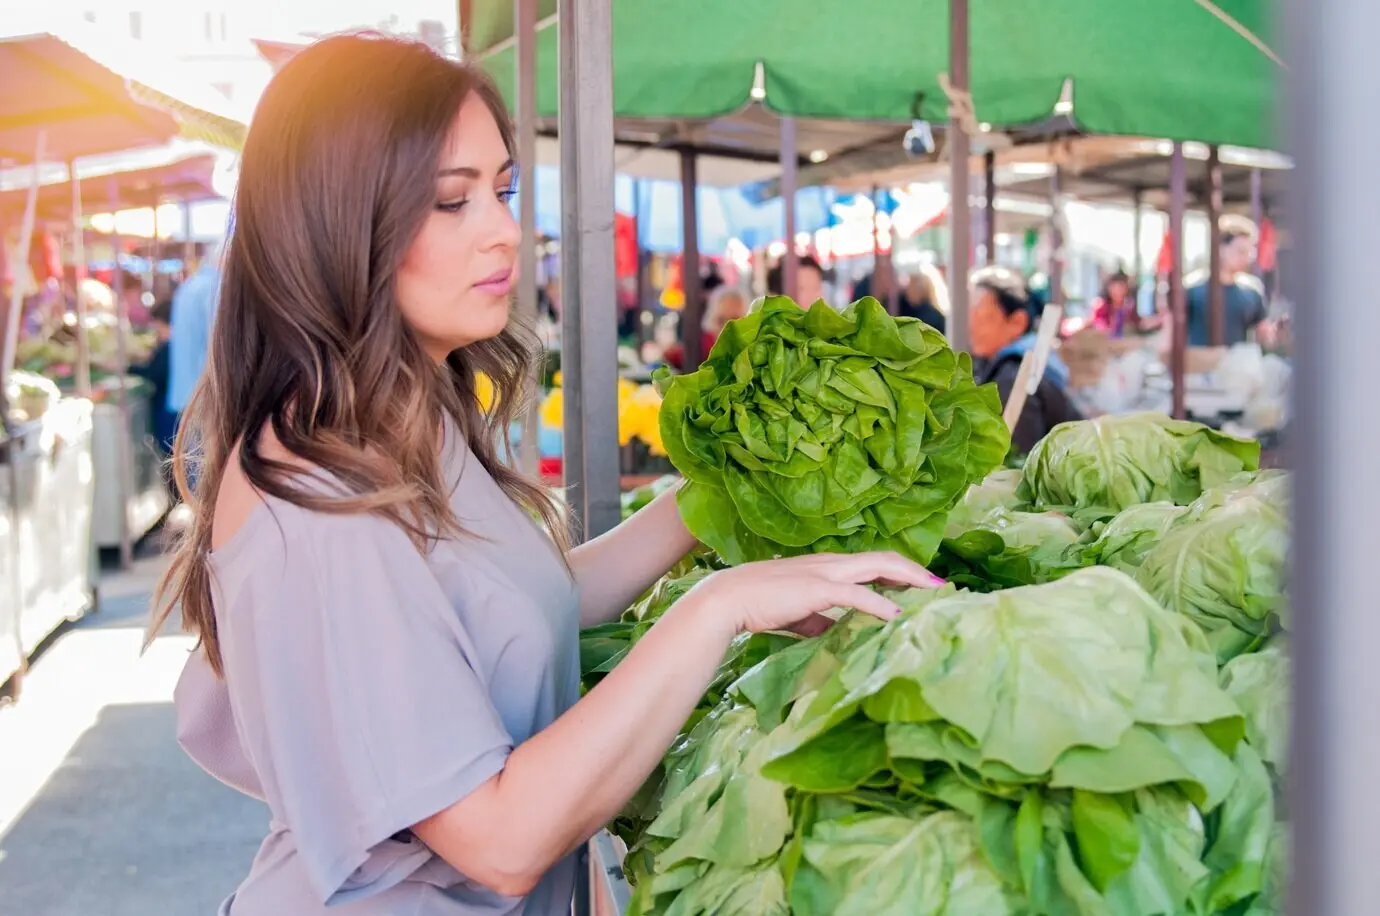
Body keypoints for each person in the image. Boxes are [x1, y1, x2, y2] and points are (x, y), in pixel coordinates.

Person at [154, 34, 938, 916]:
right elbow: (498, 841)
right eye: (451, 201)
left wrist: (710, 498)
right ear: (336, 224)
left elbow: (510, 606)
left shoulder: (408, 418)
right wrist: (720, 606)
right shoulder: (317, 495)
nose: (503, 229)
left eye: (502, 189)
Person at [969, 266, 1083, 454]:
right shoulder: (1013, 364)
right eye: (969, 316)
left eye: (981, 317)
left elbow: (1017, 461)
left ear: (1017, 322)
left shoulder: (1015, 377)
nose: (972, 327)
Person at [1185, 215, 1267, 346]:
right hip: (1199, 364)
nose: (1246, 258)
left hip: (1237, 364)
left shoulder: (1252, 291)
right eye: (1240, 251)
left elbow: (1264, 335)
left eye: (1248, 253)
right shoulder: (1192, 289)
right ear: (1221, 248)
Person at [168, 238, 223, 424]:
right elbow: (222, 342)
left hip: (186, 395)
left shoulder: (191, 285)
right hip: (205, 399)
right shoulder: (214, 288)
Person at [129, 298, 177, 459]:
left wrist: (128, 367)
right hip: (171, 411)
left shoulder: (169, 347)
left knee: (171, 460)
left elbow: (154, 373)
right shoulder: (173, 346)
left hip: (169, 412)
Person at [663, 285, 749, 370]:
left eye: (735, 320)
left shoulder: (749, 347)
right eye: (721, 320)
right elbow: (671, 356)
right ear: (712, 318)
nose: (726, 327)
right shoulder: (701, 343)